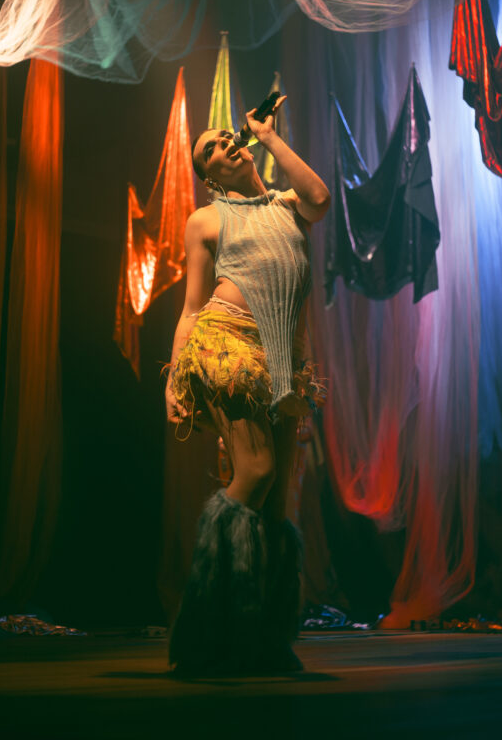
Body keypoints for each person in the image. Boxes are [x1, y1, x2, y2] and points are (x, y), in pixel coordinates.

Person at [165, 96, 330, 674]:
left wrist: (268, 135)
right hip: (225, 345)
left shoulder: (287, 205)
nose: (223, 144)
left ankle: (265, 637)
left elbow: (320, 198)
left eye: (225, 136)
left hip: (281, 361)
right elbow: (191, 308)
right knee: (255, 471)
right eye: (209, 148)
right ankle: (204, 628)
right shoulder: (206, 219)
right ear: (208, 174)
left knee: (277, 498)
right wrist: (175, 379)